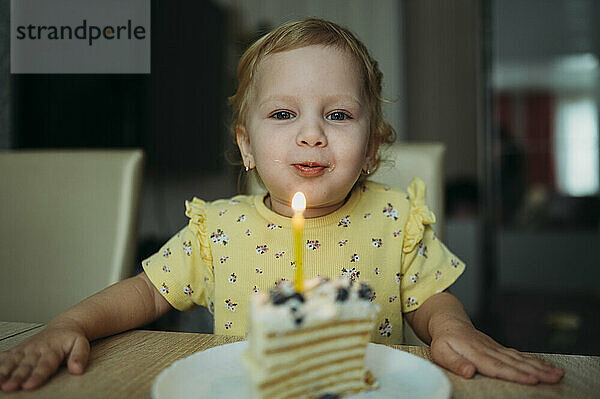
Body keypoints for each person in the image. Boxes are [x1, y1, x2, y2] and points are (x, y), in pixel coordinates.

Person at [0, 18, 564, 392]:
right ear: (246, 145)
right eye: (283, 114)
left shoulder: (393, 220)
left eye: (338, 115)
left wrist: (453, 328)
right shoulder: (217, 231)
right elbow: (145, 292)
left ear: (370, 149)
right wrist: (70, 322)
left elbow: (431, 301)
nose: (312, 134)